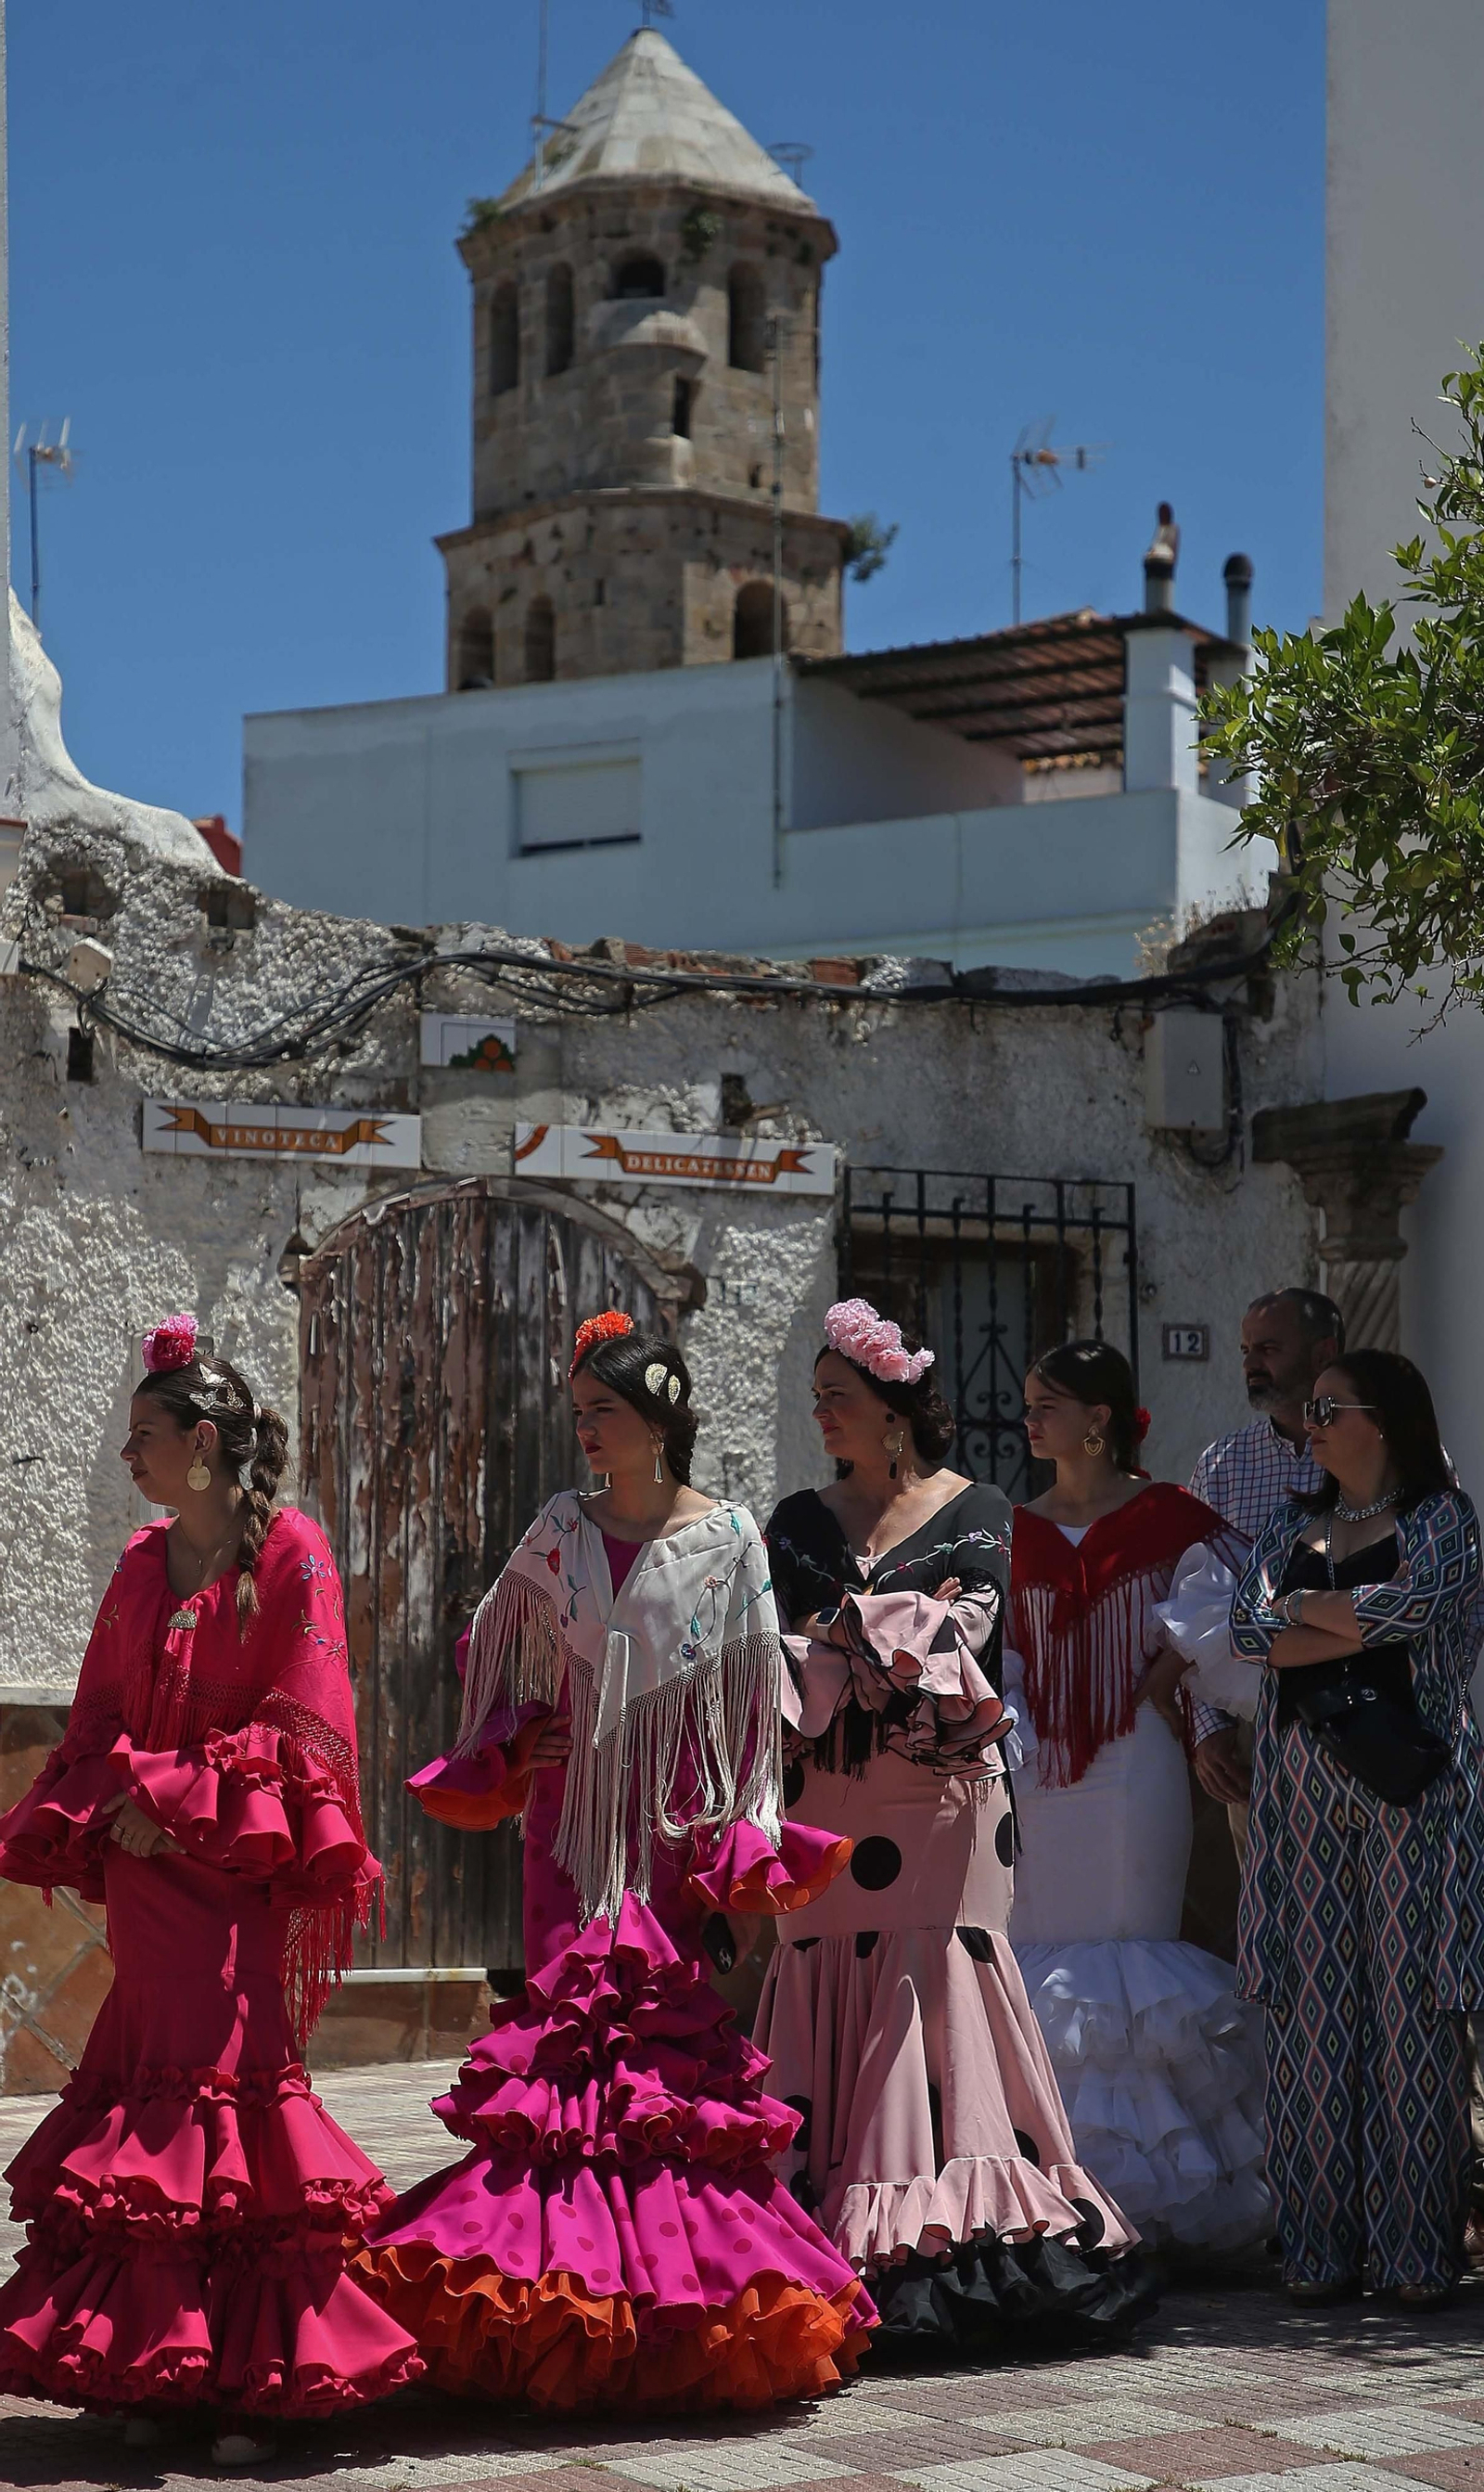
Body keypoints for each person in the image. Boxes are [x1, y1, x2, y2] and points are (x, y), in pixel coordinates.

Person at [356, 1312, 873, 2411]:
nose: (587, 1430)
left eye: (607, 1412)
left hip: (671, 1831)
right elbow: (490, 1645)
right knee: (565, 2060)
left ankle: (667, 2312)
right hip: (570, 1827)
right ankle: (558, 2307)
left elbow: (748, 1699)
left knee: (657, 2074)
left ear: (660, 1419)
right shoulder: (557, 1529)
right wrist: (520, 1731)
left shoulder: (730, 1537)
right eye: (580, 1412)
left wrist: (734, 1826)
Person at [0, 1315, 420, 2466]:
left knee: (230, 2095)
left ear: (204, 1442)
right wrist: (108, 1807)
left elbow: (306, 1727)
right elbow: (96, 1720)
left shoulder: (294, 1551)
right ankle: (158, 2368)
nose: (127, 1457)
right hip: (146, 1873)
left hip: (234, 1868)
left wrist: (178, 1795)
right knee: (147, 2104)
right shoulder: (140, 1563)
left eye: (144, 1434)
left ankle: (244, 2381)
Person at [754, 1300, 1147, 2357]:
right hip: (825, 1803)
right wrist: (876, 1635)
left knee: (928, 1975)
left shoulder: (977, 1506)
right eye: (818, 1398)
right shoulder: (793, 1516)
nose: (821, 1413)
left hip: (940, 1806)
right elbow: (769, 1644)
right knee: (826, 1963)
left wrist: (833, 1639)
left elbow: (966, 1621)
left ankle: (929, 2240)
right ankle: (830, 2215)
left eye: (839, 1397)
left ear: (894, 1412)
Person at [1231, 1347, 1484, 2305]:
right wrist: (1337, 1615)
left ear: (1379, 1420)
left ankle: (1418, 2254)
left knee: (1413, 2017)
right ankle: (1319, 2249)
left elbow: (1416, 1605)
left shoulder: (1440, 1518)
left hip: (1410, 1784)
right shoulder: (1289, 1518)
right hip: (1298, 1789)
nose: (1310, 1420)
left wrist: (1304, 1609)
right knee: (1313, 2018)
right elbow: (1247, 1631)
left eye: (1328, 1405)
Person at [1005, 1340, 1269, 2255]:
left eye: (1047, 1404)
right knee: (1039, 1952)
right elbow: (999, 1648)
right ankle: (1048, 2192)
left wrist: (1170, 1673)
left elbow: (1241, 1607)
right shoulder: (1013, 1526)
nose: (1030, 1418)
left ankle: (1154, 2204)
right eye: (1028, 1403)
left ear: (1099, 1418)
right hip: (1041, 1768)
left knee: (1131, 1957)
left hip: (1136, 1763)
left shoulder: (1167, 1516)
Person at [1181, 1290, 1342, 1833]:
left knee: (1376, 1910)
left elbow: (1450, 1593)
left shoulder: (1391, 1456)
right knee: (1268, 1910)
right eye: (1246, 1349)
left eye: (1268, 1348)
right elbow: (1192, 1603)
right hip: (1258, 1735)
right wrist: (1207, 1727)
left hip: (1370, 1721)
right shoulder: (1222, 1466)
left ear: (1323, 1353)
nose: (1251, 1363)